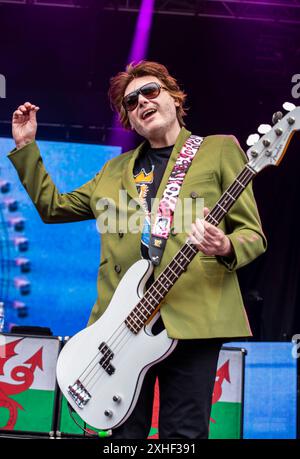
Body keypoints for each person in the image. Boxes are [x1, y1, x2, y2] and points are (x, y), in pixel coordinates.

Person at [9, 60, 266, 439]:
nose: (141, 102)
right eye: (131, 101)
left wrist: (226, 244)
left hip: (193, 319)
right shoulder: (113, 171)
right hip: (122, 327)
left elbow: (253, 235)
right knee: (125, 437)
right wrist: (26, 147)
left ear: (175, 99)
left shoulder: (219, 150)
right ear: (129, 119)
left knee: (184, 436)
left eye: (150, 91)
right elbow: (53, 207)